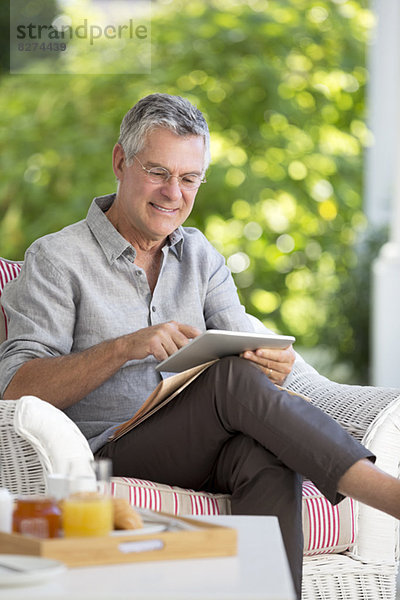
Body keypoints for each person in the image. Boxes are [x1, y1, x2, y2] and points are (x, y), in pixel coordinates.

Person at [1, 93, 400, 599]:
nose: (174, 193)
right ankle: (388, 493)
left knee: (263, 450)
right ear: (121, 162)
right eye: (159, 172)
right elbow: (16, 389)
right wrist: (125, 347)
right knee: (230, 380)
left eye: (189, 179)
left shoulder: (201, 256)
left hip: (199, 444)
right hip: (104, 450)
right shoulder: (59, 259)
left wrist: (269, 365)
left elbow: (242, 355)